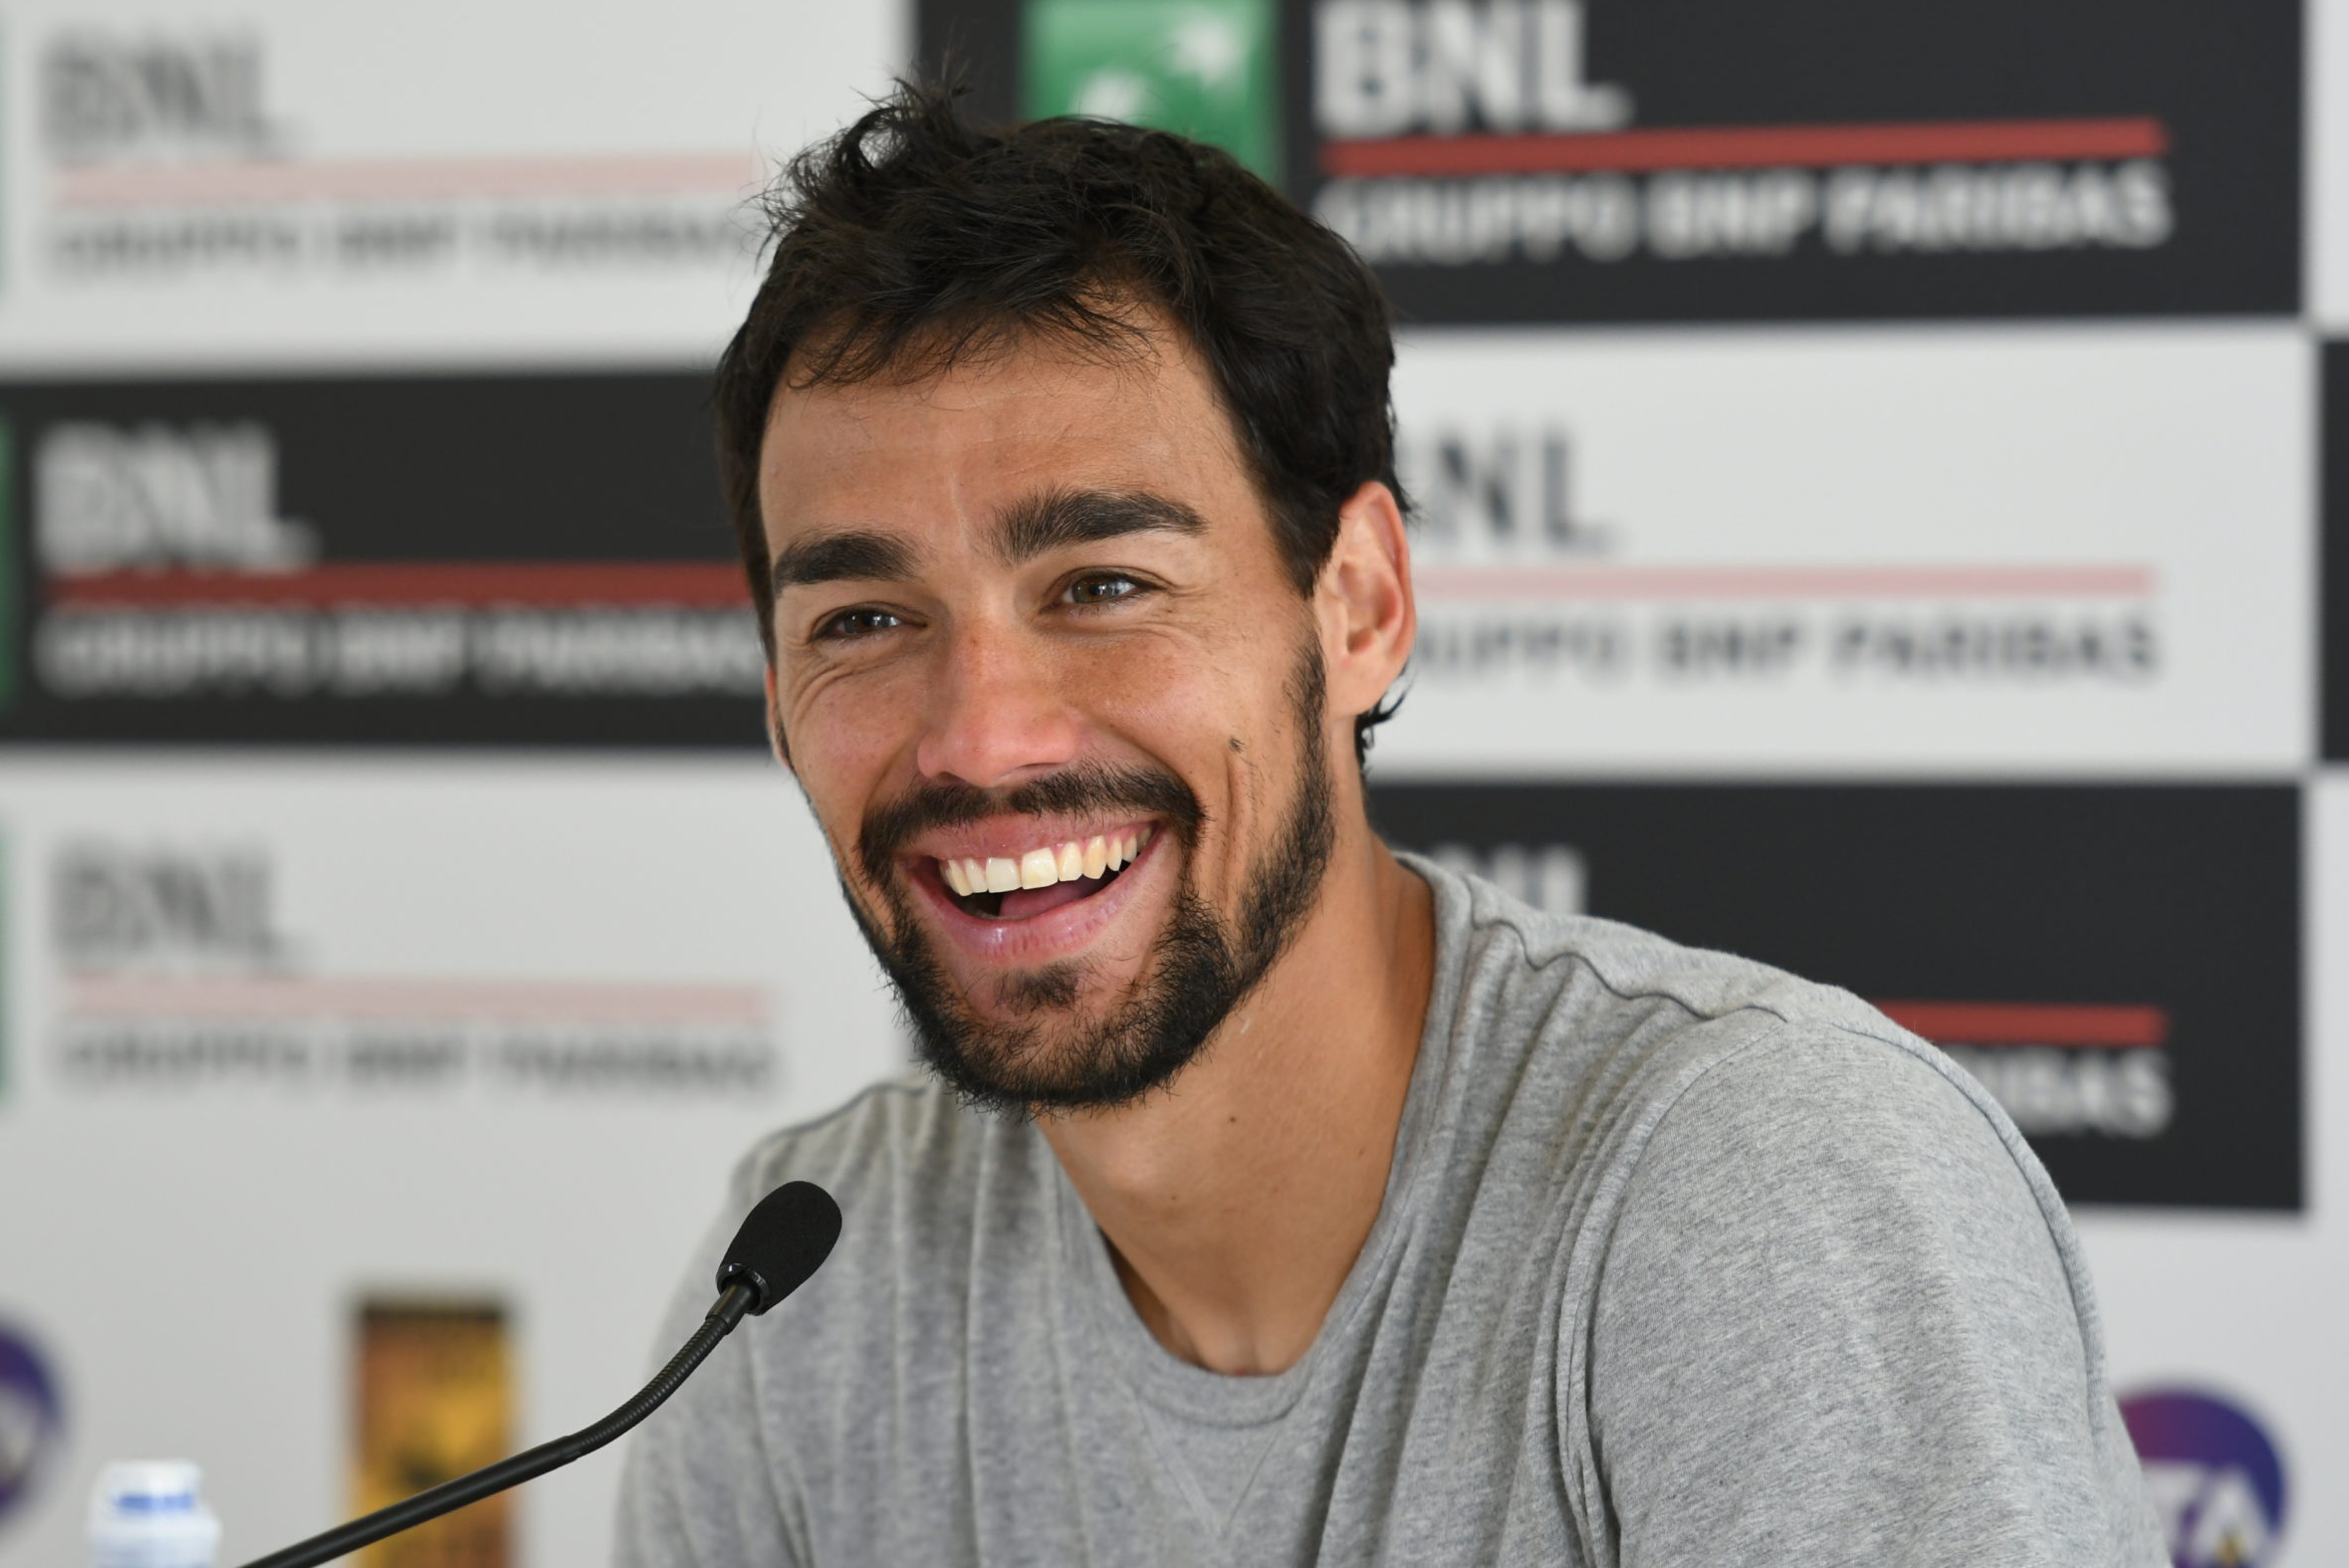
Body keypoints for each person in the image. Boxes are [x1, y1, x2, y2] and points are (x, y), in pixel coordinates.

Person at [614, 82, 2162, 1566]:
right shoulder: (805, 1294)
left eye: (1103, 586)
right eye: (864, 621)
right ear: (777, 701)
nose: (980, 736)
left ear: (1358, 607)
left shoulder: (1762, 1193)